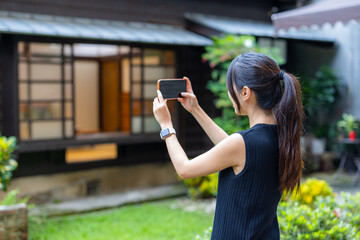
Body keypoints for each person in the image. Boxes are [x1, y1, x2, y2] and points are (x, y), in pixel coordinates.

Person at [153, 52, 303, 240]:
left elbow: (184, 169)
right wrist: (195, 109)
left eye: (230, 89)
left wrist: (166, 126)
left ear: (245, 93)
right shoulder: (281, 136)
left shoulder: (244, 143)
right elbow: (231, 149)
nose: (230, 95)